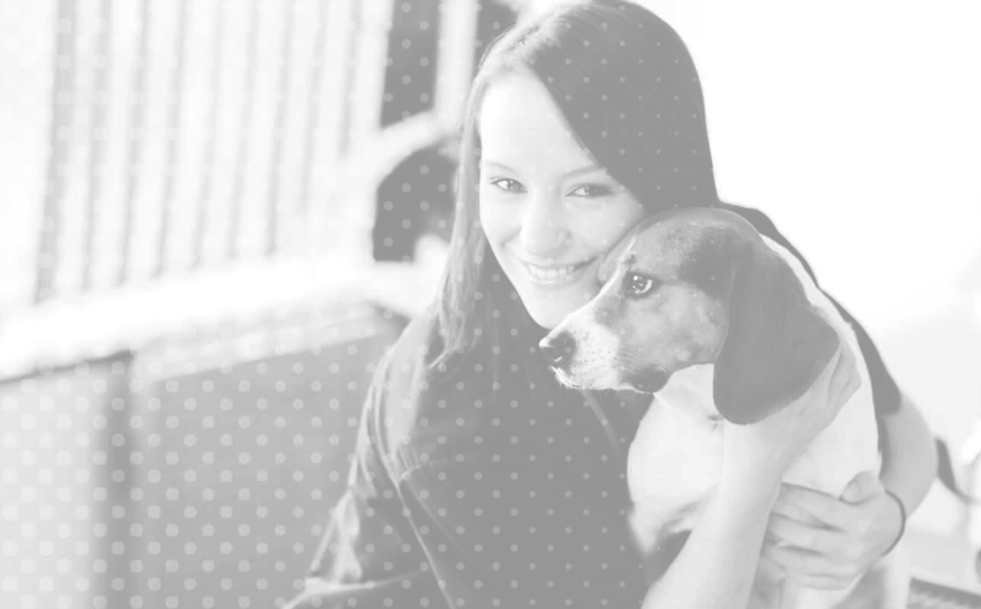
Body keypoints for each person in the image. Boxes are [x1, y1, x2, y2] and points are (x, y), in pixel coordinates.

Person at [283, 1, 937, 607]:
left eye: (588, 190)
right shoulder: (449, 395)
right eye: (506, 182)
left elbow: (902, 422)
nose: (537, 236)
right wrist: (757, 460)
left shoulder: (727, 256)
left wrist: (884, 518)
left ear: (662, 181)